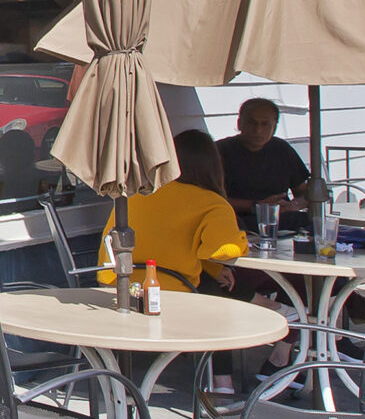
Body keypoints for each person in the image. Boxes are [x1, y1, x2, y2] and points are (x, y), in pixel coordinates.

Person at [97, 128, 246, 293]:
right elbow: (223, 250)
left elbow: (167, 244)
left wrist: (214, 270)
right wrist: (243, 239)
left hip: (115, 283)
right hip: (166, 289)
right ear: (214, 166)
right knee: (231, 294)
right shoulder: (212, 203)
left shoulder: (139, 192)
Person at [219, 97, 312, 221]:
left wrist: (293, 205)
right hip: (236, 222)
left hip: (281, 220)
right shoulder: (219, 151)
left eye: (265, 124)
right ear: (239, 123)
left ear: (274, 127)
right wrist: (256, 206)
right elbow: (208, 198)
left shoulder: (282, 149)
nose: (258, 130)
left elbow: (303, 192)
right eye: (251, 122)